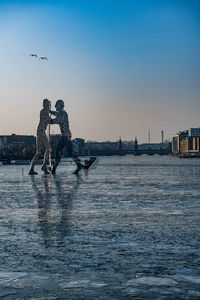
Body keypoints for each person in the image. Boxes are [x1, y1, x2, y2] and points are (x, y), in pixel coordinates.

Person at [50, 99, 83, 174]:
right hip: (65, 135)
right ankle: (78, 165)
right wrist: (50, 112)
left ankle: (54, 168)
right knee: (63, 151)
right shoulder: (62, 112)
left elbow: (56, 120)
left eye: (56, 105)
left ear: (60, 106)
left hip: (66, 135)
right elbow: (55, 113)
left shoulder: (62, 113)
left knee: (63, 151)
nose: (55, 106)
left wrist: (48, 120)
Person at [29, 99, 52, 175]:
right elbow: (49, 121)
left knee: (38, 152)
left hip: (39, 132)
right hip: (41, 132)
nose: (49, 106)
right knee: (48, 149)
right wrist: (57, 119)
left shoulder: (44, 111)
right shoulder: (44, 111)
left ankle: (31, 168)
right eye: (48, 104)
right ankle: (44, 166)